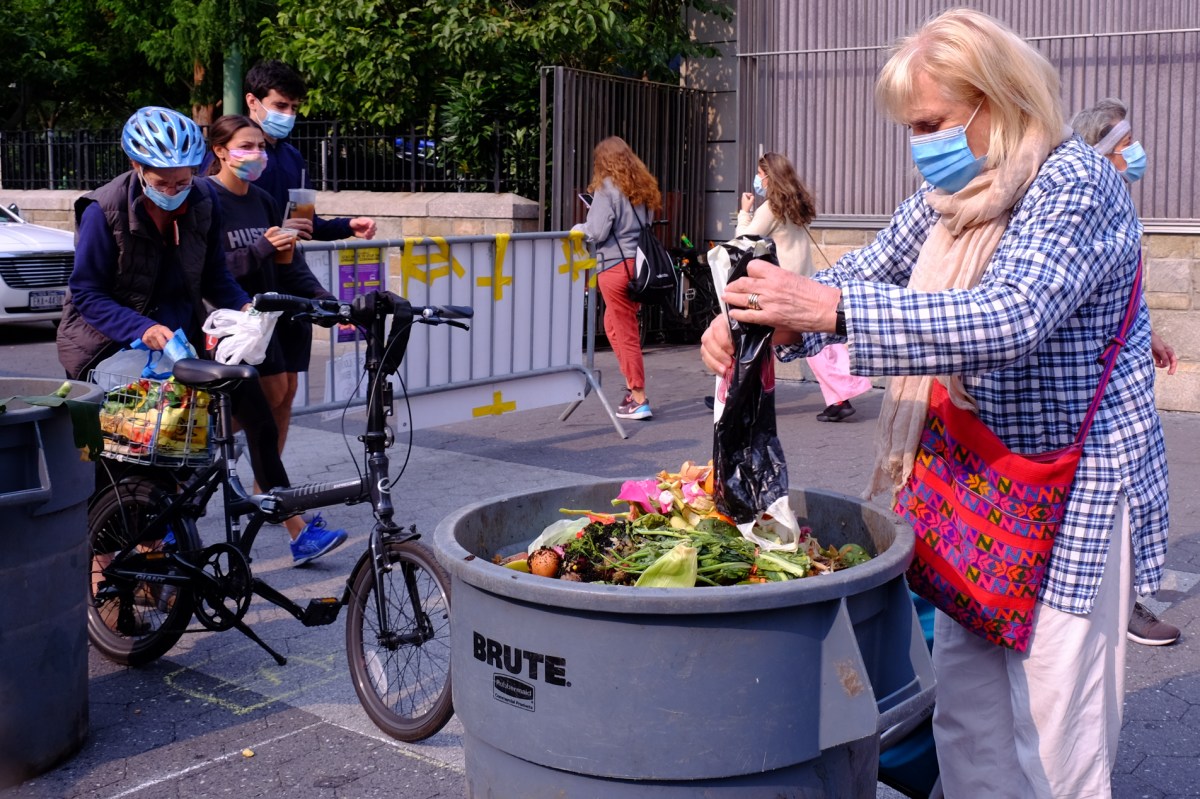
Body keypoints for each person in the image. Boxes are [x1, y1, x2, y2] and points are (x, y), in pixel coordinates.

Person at [700, 10, 1168, 797]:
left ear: (997, 101)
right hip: (984, 497)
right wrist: (760, 320)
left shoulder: (1075, 183)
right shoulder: (951, 194)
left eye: (931, 122)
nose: (920, 142)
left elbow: (1010, 315)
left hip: (1076, 492)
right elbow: (866, 273)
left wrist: (826, 311)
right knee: (967, 720)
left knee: (1054, 738)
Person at [57, 106, 345, 567]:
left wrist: (245, 309)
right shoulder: (103, 209)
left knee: (249, 398)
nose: (173, 192)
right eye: (162, 182)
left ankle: (278, 509)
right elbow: (87, 294)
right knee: (137, 441)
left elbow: (214, 279)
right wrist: (142, 328)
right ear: (137, 168)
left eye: (183, 181)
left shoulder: (202, 204)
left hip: (179, 338)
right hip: (107, 341)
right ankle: (106, 565)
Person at [205, 113, 349, 563]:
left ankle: (265, 495)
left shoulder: (265, 199)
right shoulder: (205, 199)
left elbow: (289, 262)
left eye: (261, 147)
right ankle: (290, 520)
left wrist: (325, 298)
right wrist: (262, 249)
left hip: (273, 319)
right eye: (246, 146)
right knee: (259, 419)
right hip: (235, 328)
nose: (257, 155)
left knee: (277, 400)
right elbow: (213, 273)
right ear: (221, 151)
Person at [1072, 96, 1181, 647]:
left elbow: (1122, 296)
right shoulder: (1088, 207)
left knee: (1138, 487)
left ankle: (1125, 595)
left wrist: (1150, 332)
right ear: (1103, 151)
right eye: (1125, 142)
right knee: (1115, 491)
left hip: (1125, 371)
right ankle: (1121, 602)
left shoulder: (1117, 203)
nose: (1135, 153)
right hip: (1099, 385)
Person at [238, 60, 378, 471]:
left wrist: (346, 226)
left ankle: (270, 490)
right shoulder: (233, 156)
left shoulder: (293, 155)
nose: (289, 115)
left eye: (295, 107)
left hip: (289, 278)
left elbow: (303, 222)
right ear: (253, 102)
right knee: (259, 394)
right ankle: (195, 471)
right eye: (281, 105)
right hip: (248, 285)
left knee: (286, 391)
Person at [736, 152, 872, 422]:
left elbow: (743, 239)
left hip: (781, 285)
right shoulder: (795, 203)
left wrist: (745, 211)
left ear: (769, 177)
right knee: (814, 341)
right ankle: (839, 397)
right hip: (805, 278)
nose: (757, 180)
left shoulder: (771, 207)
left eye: (760, 175)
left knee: (755, 336)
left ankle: (740, 395)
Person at [573, 136, 662, 420]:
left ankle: (638, 397)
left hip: (613, 267)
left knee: (624, 333)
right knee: (612, 325)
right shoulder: (641, 187)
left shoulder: (606, 188)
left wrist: (579, 227)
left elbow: (597, 231)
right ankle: (631, 389)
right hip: (637, 267)